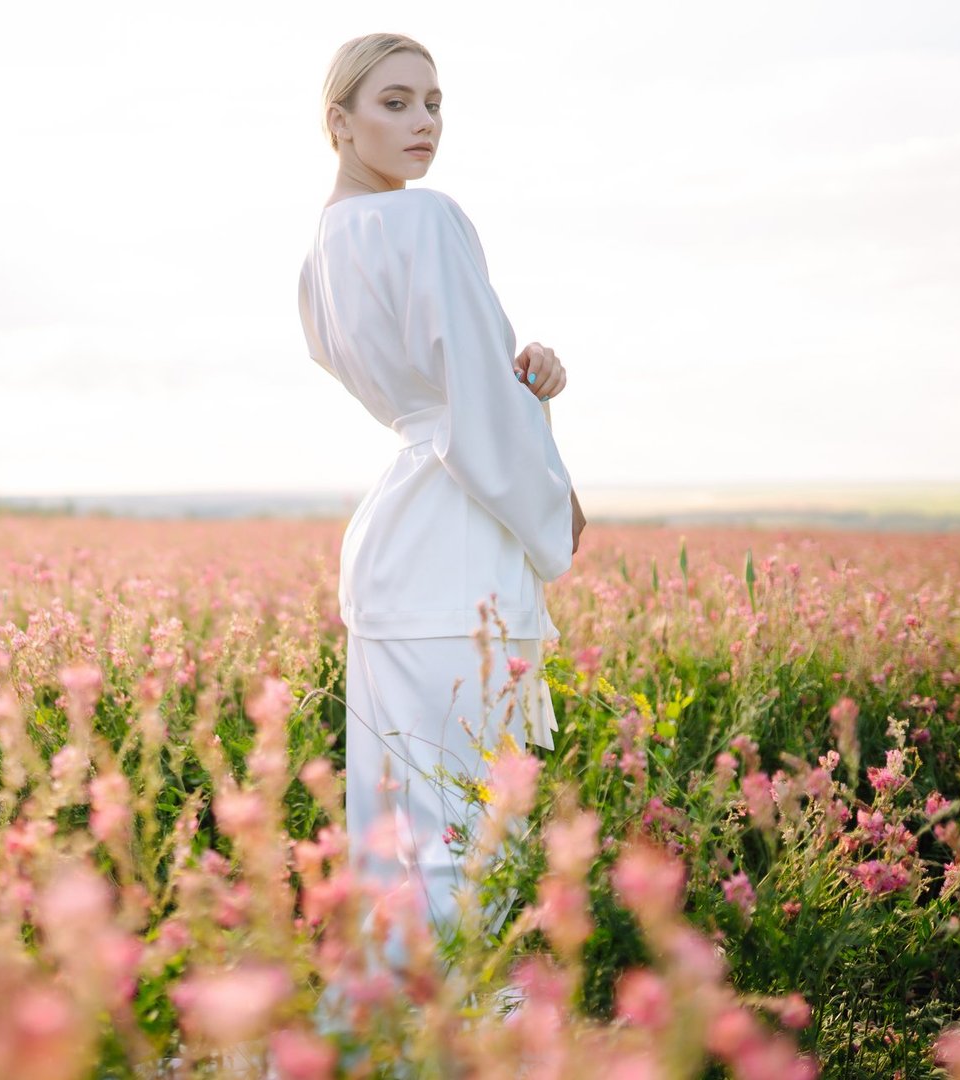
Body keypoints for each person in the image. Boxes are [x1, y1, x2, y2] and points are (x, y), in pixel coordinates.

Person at [296, 33, 589, 968]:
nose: (423, 122)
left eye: (433, 103)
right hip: (457, 537)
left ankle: (384, 1032)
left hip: (392, 545)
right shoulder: (426, 219)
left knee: (396, 828)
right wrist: (558, 499)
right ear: (338, 122)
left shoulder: (317, 259)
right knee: (465, 830)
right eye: (395, 103)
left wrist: (519, 385)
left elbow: (432, 391)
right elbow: (469, 404)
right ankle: (465, 1040)